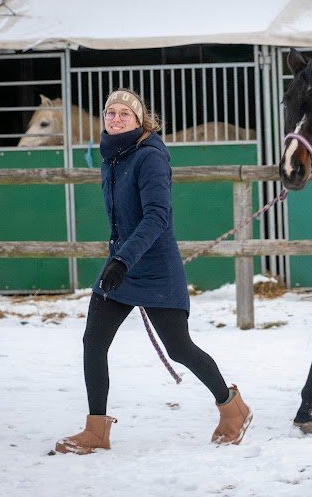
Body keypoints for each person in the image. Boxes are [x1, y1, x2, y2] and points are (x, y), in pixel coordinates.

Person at [54, 89, 252, 455]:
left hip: (155, 267)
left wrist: (122, 260)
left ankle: (232, 408)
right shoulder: (112, 157)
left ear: (140, 120)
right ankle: (96, 429)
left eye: (124, 114)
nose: (115, 118)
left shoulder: (150, 157)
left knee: (179, 348)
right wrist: (120, 259)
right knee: (94, 342)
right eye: (110, 112)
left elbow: (157, 216)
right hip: (122, 265)